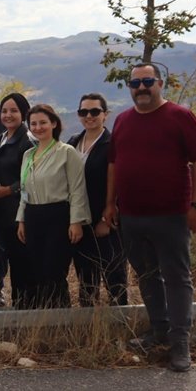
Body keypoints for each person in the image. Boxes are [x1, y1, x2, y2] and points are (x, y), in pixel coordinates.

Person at [103, 63, 196, 372]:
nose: (141, 87)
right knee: (147, 276)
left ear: (160, 83)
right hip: (133, 217)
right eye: (135, 83)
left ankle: (180, 342)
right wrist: (110, 204)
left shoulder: (180, 117)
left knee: (177, 279)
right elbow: (114, 165)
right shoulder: (123, 120)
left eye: (147, 81)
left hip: (172, 215)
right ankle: (160, 330)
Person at [16, 104, 90, 309]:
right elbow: (24, 189)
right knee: (35, 269)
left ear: (54, 123)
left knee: (54, 270)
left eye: (43, 123)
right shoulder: (28, 155)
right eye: (33, 124)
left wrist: (76, 221)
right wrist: (21, 219)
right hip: (33, 215)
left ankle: (59, 317)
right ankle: (41, 316)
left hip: (57, 215)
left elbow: (77, 189)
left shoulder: (66, 152)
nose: (38, 127)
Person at [68, 93, 127, 307]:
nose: (89, 116)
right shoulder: (73, 142)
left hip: (106, 220)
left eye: (95, 111)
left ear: (105, 115)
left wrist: (107, 218)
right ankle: (90, 326)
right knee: (86, 277)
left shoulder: (113, 144)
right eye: (84, 112)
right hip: (81, 222)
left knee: (114, 275)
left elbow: (122, 182)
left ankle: (120, 320)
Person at [0, 92, 35, 308]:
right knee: (11, 259)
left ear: (24, 113)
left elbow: (36, 177)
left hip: (21, 213)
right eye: (4, 110)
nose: (8, 115)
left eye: (13, 111)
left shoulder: (29, 141)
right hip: (2, 213)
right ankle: (19, 305)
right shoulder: (0, 139)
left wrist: (9, 190)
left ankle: (26, 306)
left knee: (22, 263)